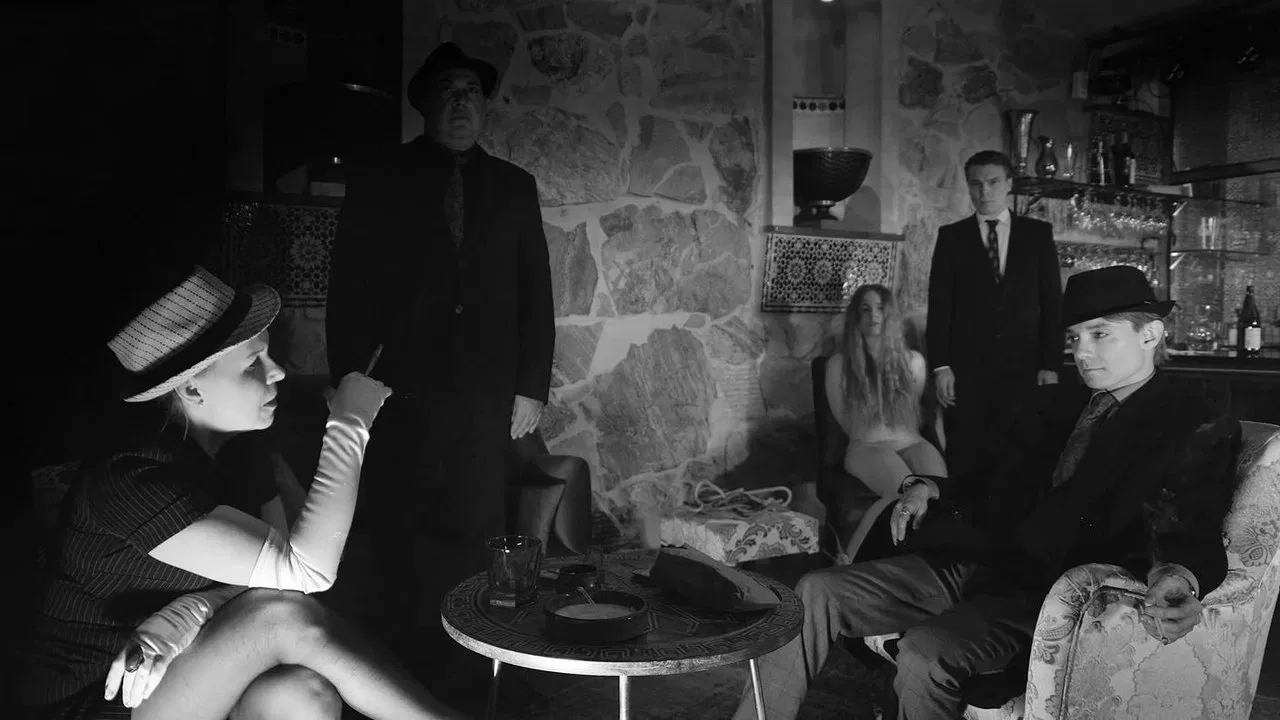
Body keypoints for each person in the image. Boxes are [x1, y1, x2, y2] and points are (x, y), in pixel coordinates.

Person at [736, 265, 1242, 720]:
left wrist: (1178, 575)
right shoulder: (1057, 404)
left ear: (1150, 333)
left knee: (926, 652)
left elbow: (1191, 514)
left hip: (1044, 593)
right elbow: (990, 481)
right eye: (1073, 338)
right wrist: (927, 487)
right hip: (974, 562)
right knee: (813, 591)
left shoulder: (1191, 416)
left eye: (1099, 334)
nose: (1082, 352)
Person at [18, 266, 465, 720]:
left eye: (268, 356)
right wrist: (350, 425)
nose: (277, 373)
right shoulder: (131, 478)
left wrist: (190, 611)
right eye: (253, 364)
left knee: (302, 694)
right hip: (97, 695)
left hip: (184, 673)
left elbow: (279, 583)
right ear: (191, 388)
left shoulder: (243, 453)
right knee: (279, 619)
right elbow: (305, 573)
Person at [325, 40, 555, 661]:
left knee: (478, 522)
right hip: (400, 388)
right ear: (424, 105)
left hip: (485, 392)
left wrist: (531, 387)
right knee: (401, 519)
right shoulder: (380, 179)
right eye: (447, 92)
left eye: (471, 92)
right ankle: (403, 658)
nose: (460, 103)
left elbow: (536, 292)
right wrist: (346, 382)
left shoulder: (514, 187)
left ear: (485, 106)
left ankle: (476, 657)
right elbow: (347, 288)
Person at [926, 150, 1063, 479]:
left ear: (1009, 184)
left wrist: (1051, 365)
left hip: (1025, 369)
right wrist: (941, 366)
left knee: (1021, 461)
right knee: (966, 459)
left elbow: (1052, 304)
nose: (984, 192)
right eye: (975, 184)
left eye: (992, 182)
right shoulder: (951, 237)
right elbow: (940, 306)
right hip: (967, 372)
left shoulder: (1037, 234)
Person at [824, 284, 946, 561]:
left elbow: (914, 408)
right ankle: (848, 563)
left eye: (880, 308)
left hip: (912, 442)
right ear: (856, 317)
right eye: (865, 309)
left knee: (941, 493)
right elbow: (844, 420)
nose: (873, 316)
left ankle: (926, 566)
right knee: (900, 493)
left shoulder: (914, 362)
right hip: (867, 446)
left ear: (891, 315)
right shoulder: (838, 366)